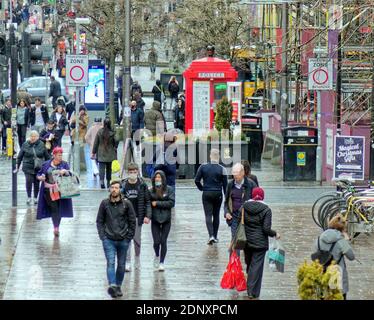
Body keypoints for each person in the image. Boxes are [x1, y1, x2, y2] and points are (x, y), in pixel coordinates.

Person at [96, 179, 136, 298]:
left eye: (116, 188)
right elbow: (99, 221)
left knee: (122, 265)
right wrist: (102, 236)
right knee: (111, 262)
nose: (114, 190)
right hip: (108, 239)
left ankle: (118, 286)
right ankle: (112, 285)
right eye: (112, 187)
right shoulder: (104, 203)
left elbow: (132, 221)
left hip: (123, 239)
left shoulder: (126, 204)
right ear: (109, 189)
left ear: (120, 190)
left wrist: (129, 237)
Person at [242, 187, 280, 300]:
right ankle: (252, 291)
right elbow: (266, 229)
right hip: (259, 243)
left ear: (252, 196)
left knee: (250, 264)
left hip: (246, 242)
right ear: (262, 196)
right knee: (256, 267)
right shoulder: (266, 210)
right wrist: (275, 234)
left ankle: (253, 291)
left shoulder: (244, 207)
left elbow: (239, 222)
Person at [315, 214, 355, 300]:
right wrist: (346, 240)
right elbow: (351, 257)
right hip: (337, 278)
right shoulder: (341, 241)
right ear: (342, 229)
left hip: (322, 275)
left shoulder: (318, 239)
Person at [36, 147, 74, 237]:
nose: (60, 157)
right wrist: (40, 177)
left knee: (59, 208)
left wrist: (66, 172)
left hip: (60, 190)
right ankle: (56, 227)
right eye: (59, 155)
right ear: (54, 155)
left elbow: (70, 174)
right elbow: (39, 174)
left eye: (61, 155)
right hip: (48, 190)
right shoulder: (46, 164)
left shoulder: (64, 164)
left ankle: (56, 227)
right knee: (54, 209)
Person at [121, 163, 151, 271]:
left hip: (138, 217)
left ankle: (137, 259)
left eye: (135, 172)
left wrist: (147, 215)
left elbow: (147, 201)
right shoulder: (123, 185)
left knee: (137, 240)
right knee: (127, 240)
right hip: (126, 217)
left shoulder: (142, 184)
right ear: (127, 172)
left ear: (137, 172)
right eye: (131, 172)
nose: (133, 174)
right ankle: (127, 261)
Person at [194, 149, 228, 244]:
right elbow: (226, 186)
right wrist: (226, 198)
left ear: (210, 156)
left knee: (208, 215)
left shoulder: (203, 167)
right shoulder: (222, 169)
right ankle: (215, 236)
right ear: (219, 157)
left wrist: (202, 188)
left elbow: (196, 180)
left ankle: (211, 236)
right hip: (218, 194)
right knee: (216, 215)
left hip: (207, 193)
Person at [224, 163, 257, 250]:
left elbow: (257, 202)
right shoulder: (230, 185)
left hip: (248, 218)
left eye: (237, 175)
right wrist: (226, 212)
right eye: (233, 175)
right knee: (235, 241)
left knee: (249, 241)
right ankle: (235, 262)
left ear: (242, 173)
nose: (235, 177)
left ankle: (248, 261)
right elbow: (226, 202)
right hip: (234, 217)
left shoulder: (251, 184)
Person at [150, 170, 175, 271]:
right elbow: (148, 203)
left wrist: (157, 203)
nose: (157, 179)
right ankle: (156, 255)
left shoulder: (169, 190)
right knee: (156, 241)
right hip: (155, 219)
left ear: (163, 179)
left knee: (163, 241)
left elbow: (171, 203)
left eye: (159, 177)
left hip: (166, 219)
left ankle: (162, 262)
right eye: (156, 177)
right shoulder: (151, 190)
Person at [15, 130, 50, 205]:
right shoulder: (25, 144)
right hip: (27, 166)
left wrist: (49, 166)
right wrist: (17, 165)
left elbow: (47, 156)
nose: (33, 138)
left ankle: (35, 197)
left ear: (38, 137)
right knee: (29, 181)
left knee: (37, 182)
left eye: (35, 136)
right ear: (29, 137)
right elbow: (20, 156)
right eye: (31, 136)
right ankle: (29, 197)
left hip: (38, 167)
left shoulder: (41, 144)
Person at [92, 118, 119, 189]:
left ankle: (101, 182)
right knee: (109, 169)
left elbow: (96, 143)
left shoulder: (99, 132)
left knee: (101, 168)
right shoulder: (112, 132)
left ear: (104, 124)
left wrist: (93, 152)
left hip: (101, 153)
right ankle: (108, 182)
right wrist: (115, 146)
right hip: (110, 153)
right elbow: (116, 141)